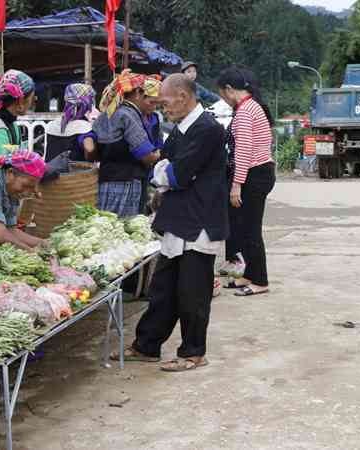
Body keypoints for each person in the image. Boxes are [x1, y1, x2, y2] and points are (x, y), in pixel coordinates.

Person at [115, 74, 228, 371]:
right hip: (178, 217)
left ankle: (193, 352)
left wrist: (165, 173)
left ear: (182, 95)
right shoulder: (181, 129)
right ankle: (147, 344)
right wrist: (165, 173)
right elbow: (162, 168)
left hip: (200, 220)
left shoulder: (208, 129)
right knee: (163, 288)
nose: (162, 108)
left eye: (165, 102)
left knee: (193, 292)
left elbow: (177, 174)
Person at [217, 67, 275, 297]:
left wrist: (236, 184)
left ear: (229, 89)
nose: (223, 98)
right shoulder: (253, 106)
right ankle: (249, 274)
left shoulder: (244, 111)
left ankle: (260, 280)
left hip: (254, 174)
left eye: (222, 94)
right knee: (243, 227)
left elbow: (243, 151)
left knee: (251, 230)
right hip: (259, 172)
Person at [89, 70, 163, 217]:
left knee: (107, 224)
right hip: (125, 183)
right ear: (137, 93)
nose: (154, 107)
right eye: (151, 102)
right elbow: (146, 156)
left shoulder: (109, 113)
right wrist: (160, 154)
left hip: (106, 180)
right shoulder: (129, 115)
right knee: (123, 228)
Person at [45, 83, 96, 162]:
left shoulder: (55, 123)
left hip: (50, 171)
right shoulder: (83, 126)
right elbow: (89, 148)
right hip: (73, 173)